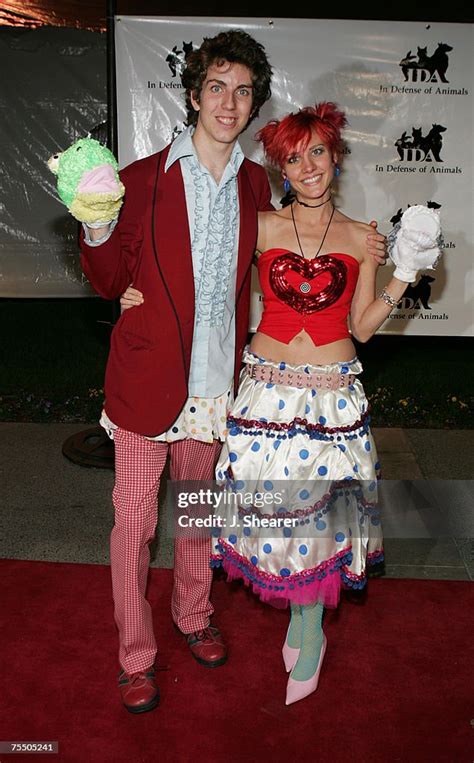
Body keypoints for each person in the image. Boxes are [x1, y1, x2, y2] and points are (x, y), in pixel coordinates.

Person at [80, 30, 386, 715]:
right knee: (134, 523)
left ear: (253, 107)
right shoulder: (140, 179)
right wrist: (98, 229)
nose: (229, 101)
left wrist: (375, 252)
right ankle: (135, 656)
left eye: (243, 90)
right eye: (216, 86)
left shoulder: (256, 187)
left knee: (196, 514)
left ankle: (193, 616)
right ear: (193, 96)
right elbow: (106, 275)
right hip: (145, 382)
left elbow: (302, 253)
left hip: (219, 386)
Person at [207, 102, 440, 705]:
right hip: (267, 395)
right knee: (277, 522)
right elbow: (207, 285)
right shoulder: (257, 225)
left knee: (319, 524)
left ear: (335, 157)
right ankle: (303, 619)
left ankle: (309, 630)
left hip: (333, 402)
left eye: (317, 152)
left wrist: (402, 276)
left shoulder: (364, 236)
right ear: (281, 167)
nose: (307, 166)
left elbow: (362, 327)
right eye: (293, 156)